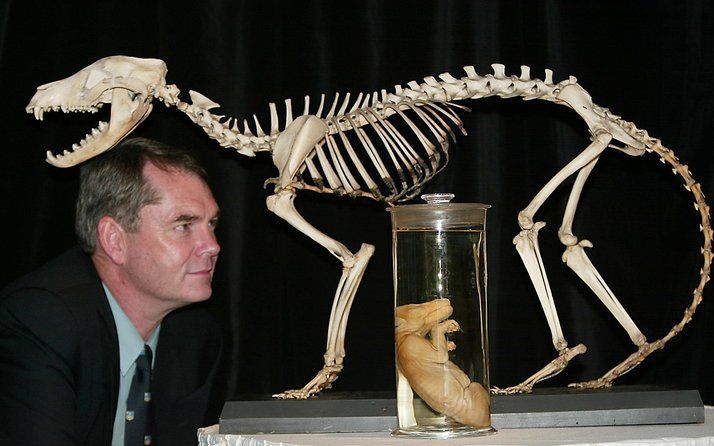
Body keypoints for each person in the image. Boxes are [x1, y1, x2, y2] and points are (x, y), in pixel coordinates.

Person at [0, 137, 224, 445]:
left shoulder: (196, 334)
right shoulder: (40, 322)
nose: (212, 246)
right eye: (183, 226)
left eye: (211, 224)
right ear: (114, 240)